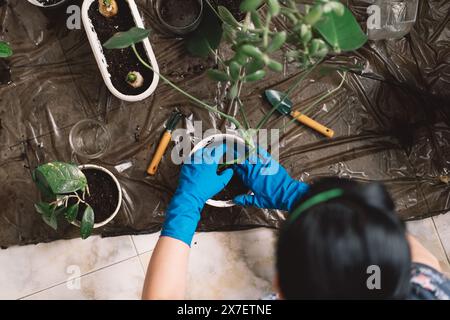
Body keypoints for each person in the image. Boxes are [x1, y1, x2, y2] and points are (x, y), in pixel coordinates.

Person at [141, 145, 450, 300]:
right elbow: (423, 261)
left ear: (280, 287)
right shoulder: (423, 290)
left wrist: (186, 206)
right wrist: (296, 197)